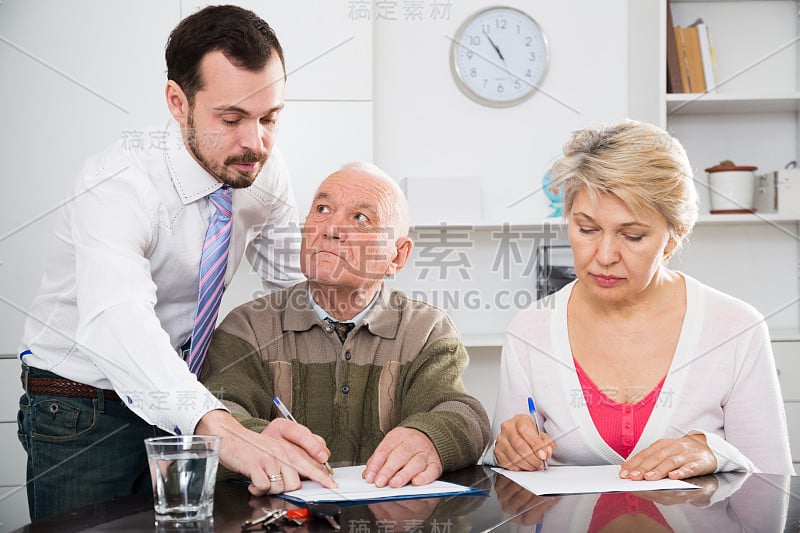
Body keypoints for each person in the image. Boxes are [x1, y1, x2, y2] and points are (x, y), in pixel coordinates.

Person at [17, 5, 336, 520]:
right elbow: (120, 321)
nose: (255, 143)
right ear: (177, 101)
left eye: (269, 118)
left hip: (184, 396)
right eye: (231, 119)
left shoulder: (262, 171)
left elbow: (294, 295)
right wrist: (219, 427)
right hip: (81, 405)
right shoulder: (116, 183)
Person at [483, 120, 794, 479]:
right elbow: (506, 481)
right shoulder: (530, 330)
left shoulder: (737, 328)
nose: (603, 255)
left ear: (673, 239)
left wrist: (716, 454)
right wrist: (506, 451)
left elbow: (775, 491)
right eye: (587, 229)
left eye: (631, 236)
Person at [200, 161, 491, 491]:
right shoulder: (248, 326)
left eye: (361, 218)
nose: (331, 228)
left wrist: (430, 436)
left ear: (397, 256)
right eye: (322, 209)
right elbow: (214, 411)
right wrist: (253, 439)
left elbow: (464, 413)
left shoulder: (426, 330)